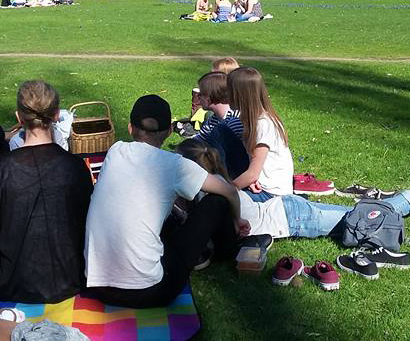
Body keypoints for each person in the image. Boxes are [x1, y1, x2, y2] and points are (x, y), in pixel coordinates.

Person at [84, 95, 249, 308]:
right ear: (170, 131)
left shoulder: (115, 151)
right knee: (216, 202)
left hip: (97, 286)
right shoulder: (175, 165)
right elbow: (230, 191)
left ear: (130, 128)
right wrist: (237, 220)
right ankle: (226, 251)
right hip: (150, 291)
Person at [176, 139, 410, 245]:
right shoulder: (216, 183)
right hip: (288, 208)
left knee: (364, 221)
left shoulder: (213, 195)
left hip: (295, 219)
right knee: (360, 214)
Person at [0, 81, 93, 303]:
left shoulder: (1, 169)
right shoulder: (75, 167)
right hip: (68, 278)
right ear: (57, 115)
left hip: (15, 282)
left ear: (19, 117)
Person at [227, 67, 292, 201]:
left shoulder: (264, 124)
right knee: (223, 131)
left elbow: (252, 174)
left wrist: (225, 189)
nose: (226, 95)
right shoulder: (250, 120)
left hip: (271, 194)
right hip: (258, 185)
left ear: (240, 95)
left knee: (217, 200)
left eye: (229, 91)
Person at [194, 72, 249, 179]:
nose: (198, 98)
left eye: (200, 94)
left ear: (209, 98)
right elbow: (197, 140)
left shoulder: (236, 118)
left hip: (240, 172)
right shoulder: (213, 119)